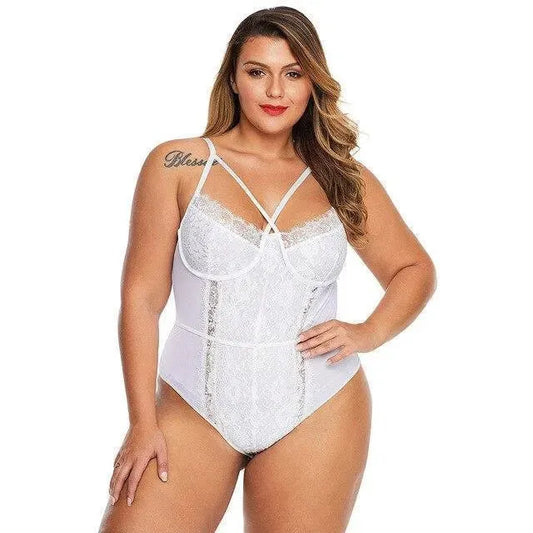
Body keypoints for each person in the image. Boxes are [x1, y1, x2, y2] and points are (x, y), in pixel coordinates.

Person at [99, 6, 437, 532]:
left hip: (319, 406)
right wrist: (142, 422)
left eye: (293, 73)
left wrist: (369, 331)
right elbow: (141, 300)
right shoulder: (180, 163)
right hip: (192, 406)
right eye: (258, 71)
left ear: (312, 83)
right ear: (233, 78)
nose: (275, 90)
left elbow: (413, 268)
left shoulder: (341, 177)